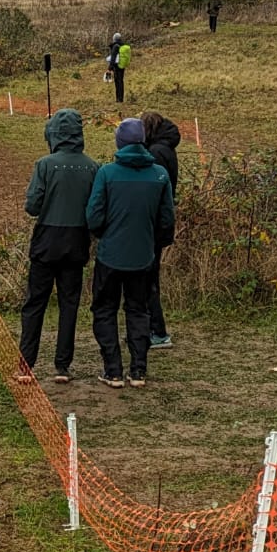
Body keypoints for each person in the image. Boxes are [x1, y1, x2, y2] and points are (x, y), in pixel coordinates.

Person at [85, 118, 174, 388]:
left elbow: (93, 215)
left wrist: (104, 235)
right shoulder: (159, 175)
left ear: (119, 143)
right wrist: (152, 242)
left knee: (104, 309)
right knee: (138, 310)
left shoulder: (107, 173)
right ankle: (138, 370)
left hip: (110, 255)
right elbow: (167, 219)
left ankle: (112, 370)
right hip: (143, 256)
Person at [17, 109, 100, 384]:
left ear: (53, 133)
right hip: (77, 241)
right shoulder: (92, 167)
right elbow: (96, 208)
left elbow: (32, 206)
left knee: (35, 303)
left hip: (46, 241)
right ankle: (62, 366)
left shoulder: (44, 164)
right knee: (69, 304)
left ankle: (26, 365)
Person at [140, 111, 181, 349]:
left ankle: (157, 330)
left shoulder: (155, 153)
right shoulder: (166, 149)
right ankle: (148, 328)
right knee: (150, 277)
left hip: (153, 224)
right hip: (161, 223)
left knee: (148, 279)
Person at [108, 33, 130, 103]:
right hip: (122, 65)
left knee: (117, 82)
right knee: (121, 81)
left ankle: (118, 99)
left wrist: (109, 68)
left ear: (114, 39)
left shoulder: (115, 46)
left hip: (117, 66)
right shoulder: (122, 45)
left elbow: (113, 58)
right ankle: (121, 98)